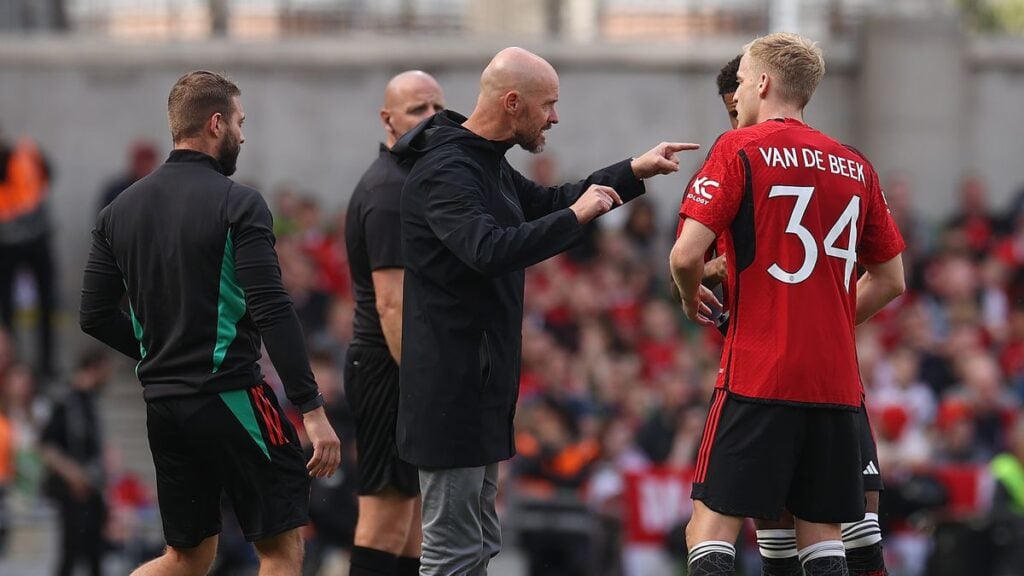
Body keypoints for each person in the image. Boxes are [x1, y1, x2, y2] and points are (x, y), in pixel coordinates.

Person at [394, 46, 699, 576]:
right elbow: (488, 249)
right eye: (548, 105)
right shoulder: (445, 169)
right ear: (513, 102)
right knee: (450, 551)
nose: (555, 118)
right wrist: (578, 218)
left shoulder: (485, 162)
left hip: (480, 389)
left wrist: (631, 172)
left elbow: (552, 202)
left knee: (478, 543)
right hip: (451, 393)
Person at [79, 70, 341, 576]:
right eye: (241, 122)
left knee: (186, 558)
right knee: (282, 551)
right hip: (232, 395)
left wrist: (158, 352)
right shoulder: (239, 202)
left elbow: (93, 314)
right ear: (216, 124)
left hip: (164, 404)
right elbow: (271, 306)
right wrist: (311, 408)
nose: (244, 134)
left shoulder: (118, 211)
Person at [670, 33, 906, 576]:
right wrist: (825, 319)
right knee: (821, 534)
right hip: (835, 381)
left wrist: (689, 299)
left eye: (743, 79)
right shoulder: (855, 164)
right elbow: (891, 278)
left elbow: (685, 256)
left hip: (759, 369)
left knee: (707, 530)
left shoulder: (739, 149)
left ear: (761, 82)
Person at [343, 70, 445, 576]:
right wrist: (422, 382)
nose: (430, 121)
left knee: (410, 530)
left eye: (436, 110)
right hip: (388, 368)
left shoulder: (411, 181)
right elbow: (391, 304)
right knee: (385, 518)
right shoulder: (388, 191)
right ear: (387, 119)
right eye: (417, 111)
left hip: (397, 367)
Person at [40, 349, 112, 576]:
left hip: (91, 490)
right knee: (70, 553)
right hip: (71, 492)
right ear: (95, 368)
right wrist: (74, 476)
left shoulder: (90, 400)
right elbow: (47, 445)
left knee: (95, 554)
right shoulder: (66, 401)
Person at [0, 126, 57, 381]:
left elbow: (48, 175)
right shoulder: (24, 155)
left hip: (35, 239)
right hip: (9, 244)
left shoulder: (27, 153)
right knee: (6, 308)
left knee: (46, 303)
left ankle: (46, 365)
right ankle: (10, 365)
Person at [97, 141, 159, 212]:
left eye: (147, 161)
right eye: (141, 160)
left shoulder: (159, 192)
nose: (144, 165)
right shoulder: (116, 192)